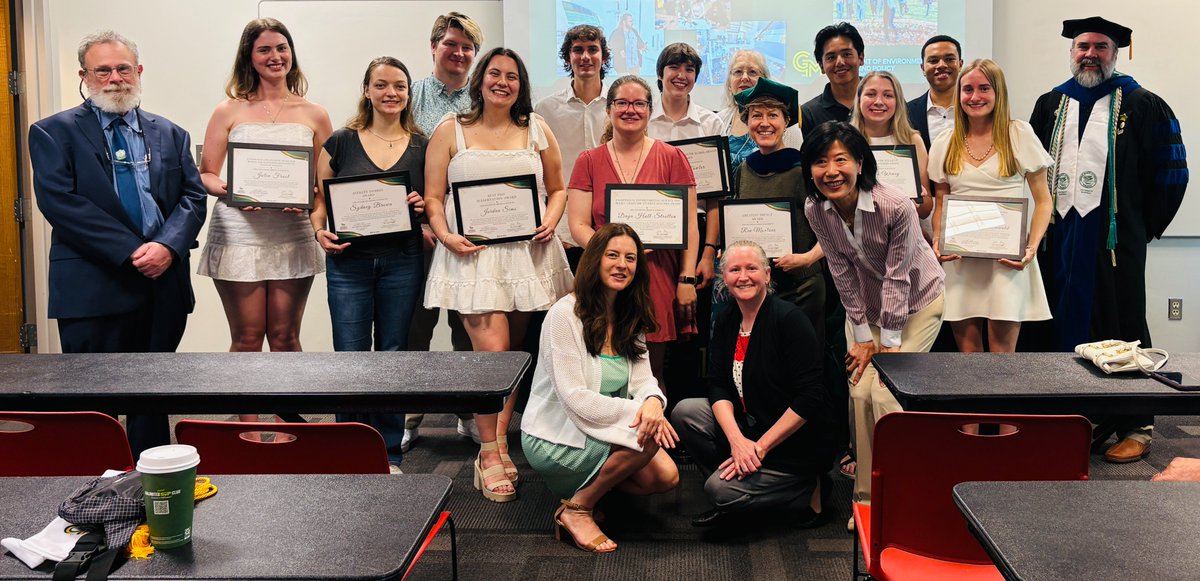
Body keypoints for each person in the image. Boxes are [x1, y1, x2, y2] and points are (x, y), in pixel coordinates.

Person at [28, 30, 207, 457]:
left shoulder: (171, 133)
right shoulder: (53, 132)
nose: (115, 78)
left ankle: (153, 491)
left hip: (162, 283)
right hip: (93, 288)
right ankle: (90, 495)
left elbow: (193, 197)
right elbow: (61, 203)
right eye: (103, 70)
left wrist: (166, 246)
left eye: (123, 68)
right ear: (85, 76)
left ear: (138, 72)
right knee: (95, 404)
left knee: (151, 399)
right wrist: (132, 251)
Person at [1028, 17, 1188, 464]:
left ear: (1116, 52)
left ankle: (1135, 424)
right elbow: (1032, 174)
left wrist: (1137, 227)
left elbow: (1172, 175)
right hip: (1059, 237)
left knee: (1122, 322)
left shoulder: (1143, 104)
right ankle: (1066, 418)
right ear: (1072, 50)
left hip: (1115, 241)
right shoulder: (1050, 105)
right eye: (1082, 46)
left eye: (1100, 46)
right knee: (1054, 320)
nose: (1090, 54)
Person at [423, 47, 574, 502]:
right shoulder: (451, 131)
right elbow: (432, 196)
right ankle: (488, 453)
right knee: (492, 355)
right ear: (480, 80)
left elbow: (558, 188)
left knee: (512, 360)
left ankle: (498, 439)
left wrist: (552, 218)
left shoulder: (537, 129)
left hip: (527, 256)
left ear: (521, 85)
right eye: (494, 74)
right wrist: (446, 236)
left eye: (512, 76)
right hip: (473, 257)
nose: (502, 82)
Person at [801, 121, 945, 528]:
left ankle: (901, 492)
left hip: (917, 304)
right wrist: (864, 337)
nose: (830, 171)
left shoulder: (894, 206)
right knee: (860, 396)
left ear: (860, 163)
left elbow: (899, 276)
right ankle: (866, 500)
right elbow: (842, 271)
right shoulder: (816, 209)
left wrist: (891, 345)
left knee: (886, 396)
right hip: (866, 309)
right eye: (819, 162)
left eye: (840, 160)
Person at [196, 18, 332, 428]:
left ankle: (289, 417)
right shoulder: (228, 110)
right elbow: (205, 174)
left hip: (292, 232)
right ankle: (248, 425)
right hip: (239, 232)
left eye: (282, 48)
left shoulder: (315, 113)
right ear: (249, 58)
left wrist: (309, 202)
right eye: (265, 50)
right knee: (248, 336)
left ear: (292, 54)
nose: (275, 57)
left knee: (286, 336)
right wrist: (232, 191)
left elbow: (325, 183)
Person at [521, 223, 680, 552]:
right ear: (594, 259)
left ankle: (598, 483)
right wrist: (642, 413)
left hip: (604, 425)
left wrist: (652, 401)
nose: (622, 264)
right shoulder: (564, 315)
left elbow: (643, 379)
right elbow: (575, 400)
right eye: (613, 255)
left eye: (631, 258)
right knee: (646, 441)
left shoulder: (628, 313)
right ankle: (578, 508)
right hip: (557, 433)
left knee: (666, 477)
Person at [310, 57, 427, 469]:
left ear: (408, 93)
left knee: (393, 354)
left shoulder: (422, 145)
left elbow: (435, 202)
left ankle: (389, 451)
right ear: (367, 90)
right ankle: (350, 451)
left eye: (399, 85)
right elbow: (319, 199)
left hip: (403, 261)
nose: (391, 93)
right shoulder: (341, 141)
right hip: (349, 265)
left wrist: (422, 204)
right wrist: (319, 229)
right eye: (381, 85)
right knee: (351, 356)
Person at [672, 241, 835, 527]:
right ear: (725, 278)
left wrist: (758, 448)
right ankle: (740, 476)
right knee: (686, 411)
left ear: (768, 275)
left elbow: (810, 397)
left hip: (793, 444)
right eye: (734, 270)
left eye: (751, 268)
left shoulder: (789, 319)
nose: (743, 276)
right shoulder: (727, 319)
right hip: (751, 429)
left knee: (717, 491)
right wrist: (737, 442)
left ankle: (804, 488)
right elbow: (719, 385)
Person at [566, 75, 700, 392]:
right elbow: (578, 225)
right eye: (622, 103)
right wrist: (614, 254)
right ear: (609, 109)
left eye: (639, 103)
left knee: (651, 375)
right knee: (602, 371)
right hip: (603, 278)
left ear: (649, 110)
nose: (630, 110)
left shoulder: (672, 157)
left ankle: (652, 438)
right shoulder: (588, 161)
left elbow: (689, 225)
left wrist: (687, 278)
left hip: (656, 277)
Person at [928, 59, 1052, 353]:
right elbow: (941, 202)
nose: (975, 97)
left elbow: (1045, 201)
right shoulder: (946, 141)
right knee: (969, 360)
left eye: (984, 88)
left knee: (1001, 362)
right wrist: (937, 240)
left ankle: (1002, 403)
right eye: (967, 89)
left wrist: (1031, 248)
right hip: (961, 260)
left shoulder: (1019, 134)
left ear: (998, 93)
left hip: (1006, 261)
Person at [406, 11, 487, 451]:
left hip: (469, 232)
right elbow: (386, 152)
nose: (459, 53)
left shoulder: (484, 100)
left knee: (467, 325)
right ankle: (411, 412)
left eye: (467, 47)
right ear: (434, 45)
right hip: (415, 230)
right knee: (415, 326)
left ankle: (467, 410)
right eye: (451, 44)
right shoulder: (409, 95)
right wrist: (418, 219)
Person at [715, 79, 824, 339]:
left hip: (801, 286)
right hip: (755, 287)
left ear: (786, 122)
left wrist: (807, 258)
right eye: (756, 115)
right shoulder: (744, 170)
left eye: (773, 115)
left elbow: (834, 228)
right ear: (748, 122)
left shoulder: (804, 171)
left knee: (799, 362)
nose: (764, 123)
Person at [534, 24, 611, 270]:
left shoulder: (620, 106)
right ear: (568, 57)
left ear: (604, 56)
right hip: (562, 230)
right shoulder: (545, 110)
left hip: (611, 221)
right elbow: (538, 170)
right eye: (578, 50)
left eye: (592, 50)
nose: (585, 57)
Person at [851, 71, 933, 235]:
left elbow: (925, 210)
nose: (879, 101)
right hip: (859, 237)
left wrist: (918, 200)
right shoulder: (846, 141)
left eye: (888, 95)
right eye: (871, 94)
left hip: (904, 235)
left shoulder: (912, 140)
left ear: (898, 102)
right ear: (859, 99)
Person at [716, 50, 803, 171]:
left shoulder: (786, 124)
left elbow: (797, 170)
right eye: (738, 72)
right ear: (729, 84)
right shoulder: (718, 120)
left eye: (752, 72)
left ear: (765, 80)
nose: (745, 77)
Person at [800, 22, 864, 138]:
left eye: (846, 54)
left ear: (861, 58)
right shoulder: (809, 114)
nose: (840, 62)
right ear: (821, 66)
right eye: (831, 57)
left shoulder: (885, 102)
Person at [907, 35, 962, 151]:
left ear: (960, 64)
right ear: (922, 68)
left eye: (949, 59)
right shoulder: (906, 112)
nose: (941, 65)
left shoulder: (974, 109)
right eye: (933, 61)